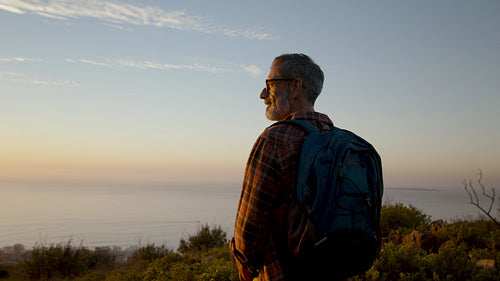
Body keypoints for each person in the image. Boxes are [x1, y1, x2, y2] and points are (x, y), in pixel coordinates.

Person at [231, 54, 343, 281]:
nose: (262, 94)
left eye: (270, 84)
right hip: (333, 270)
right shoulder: (337, 140)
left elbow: (249, 228)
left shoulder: (275, 139)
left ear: (295, 87)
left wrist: (245, 266)